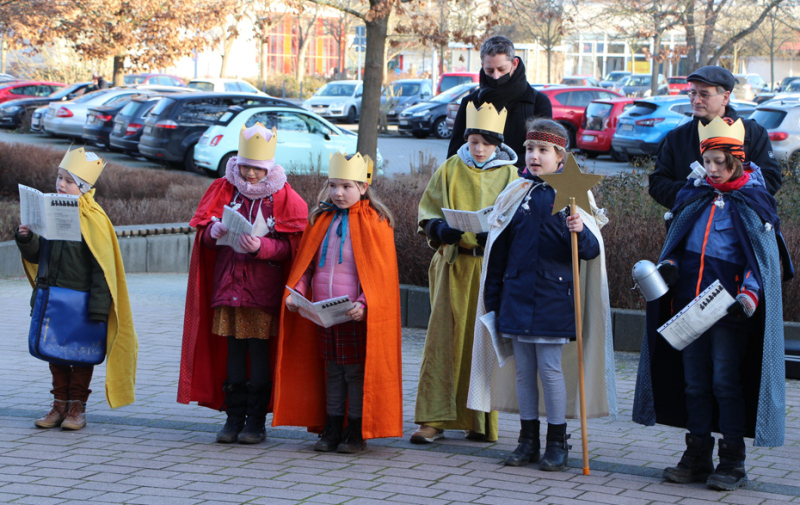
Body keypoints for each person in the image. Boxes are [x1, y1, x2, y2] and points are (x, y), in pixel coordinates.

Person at [633, 117, 794, 491]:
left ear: (737, 161)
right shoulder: (696, 196)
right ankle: (697, 454)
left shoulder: (754, 203)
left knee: (725, 383)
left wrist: (749, 297)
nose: (713, 170)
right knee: (694, 383)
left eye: (721, 162)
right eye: (708, 162)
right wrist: (669, 268)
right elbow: (677, 248)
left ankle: (732, 460)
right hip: (690, 307)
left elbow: (760, 262)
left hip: (728, 313)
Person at [468, 119, 616, 470]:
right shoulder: (515, 194)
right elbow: (498, 251)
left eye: (543, 150)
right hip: (516, 296)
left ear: (561, 156)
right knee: (523, 372)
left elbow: (591, 251)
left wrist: (581, 231)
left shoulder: (572, 197)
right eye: (530, 149)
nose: (535, 156)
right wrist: (493, 299)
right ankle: (527, 439)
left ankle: (557, 440)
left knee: (550, 370)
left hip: (554, 297)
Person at [177, 123, 308, 444]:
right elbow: (204, 239)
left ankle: (255, 421)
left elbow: (294, 247)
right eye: (246, 166)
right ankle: (233, 418)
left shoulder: (283, 196)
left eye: (257, 169)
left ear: (269, 168)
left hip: (262, 293)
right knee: (233, 352)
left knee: (258, 353)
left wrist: (262, 248)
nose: (250, 174)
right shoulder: (223, 188)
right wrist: (214, 233)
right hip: (227, 288)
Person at [273, 152, 402, 453]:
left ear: (363, 187)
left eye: (346, 186)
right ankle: (331, 427)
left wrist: (364, 303)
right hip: (322, 313)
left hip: (352, 314)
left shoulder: (376, 222)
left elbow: (378, 275)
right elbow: (307, 265)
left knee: (354, 372)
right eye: (333, 185)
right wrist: (297, 293)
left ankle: (355, 429)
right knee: (332, 370)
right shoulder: (320, 219)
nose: (338, 193)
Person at [412, 101, 519, 444]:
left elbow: (519, 219)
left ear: (497, 144)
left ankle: (480, 421)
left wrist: (499, 237)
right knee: (443, 340)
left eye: (486, 143)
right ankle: (433, 419)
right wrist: (438, 229)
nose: (479, 148)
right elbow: (427, 211)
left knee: (483, 344)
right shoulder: (450, 168)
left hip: (490, 269)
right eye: (473, 141)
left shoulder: (511, 176)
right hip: (453, 265)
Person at [16, 147, 138, 430]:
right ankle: (58, 406)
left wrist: (98, 307)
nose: (61, 185)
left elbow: (103, 268)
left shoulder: (94, 218)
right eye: (59, 178)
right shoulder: (50, 210)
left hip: (83, 302)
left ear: (84, 187)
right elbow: (38, 256)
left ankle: (77, 409)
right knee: (54, 353)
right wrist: (26, 238)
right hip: (52, 296)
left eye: (68, 181)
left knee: (81, 355)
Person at [649, 65, 781, 210]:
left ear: (725, 97)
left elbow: (771, 178)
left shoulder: (753, 132)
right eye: (693, 93)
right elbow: (657, 183)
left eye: (704, 94)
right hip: (690, 228)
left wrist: (732, 192)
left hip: (739, 226)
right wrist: (694, 193)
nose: (696, 100)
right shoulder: (677, 137)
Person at [447, 35, 553, 169]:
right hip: (477, 183)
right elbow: (454, 155)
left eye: (501, 69)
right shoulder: (470, 103)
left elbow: (544, 153)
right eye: (489, 70)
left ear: (514, 64)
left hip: (522, 183)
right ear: (482, 66)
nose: (496, 76)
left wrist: (500, 165)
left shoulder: (538, 102)